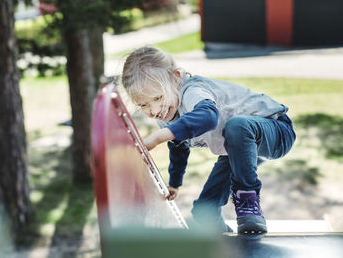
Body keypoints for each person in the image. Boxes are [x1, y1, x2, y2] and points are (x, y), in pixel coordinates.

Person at [121, 46, 296, 238]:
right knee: (205, 211)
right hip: (236, 152)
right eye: (143, 105)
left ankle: (248, 202)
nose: (154, 110)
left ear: (176, 77)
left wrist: (157, 137)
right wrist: (175, 183)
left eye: (158, 97)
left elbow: (208, 117)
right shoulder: (166, 113)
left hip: (276, 131)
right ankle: (232, 245)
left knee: (237, 126)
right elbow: (178, 146)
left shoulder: (193, 90)